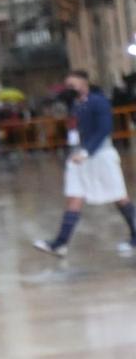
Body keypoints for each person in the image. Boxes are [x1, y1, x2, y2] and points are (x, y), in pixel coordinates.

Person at [34, 69, 136, 258]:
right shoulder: (75, 104)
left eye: (73, 85)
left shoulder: (99, 101)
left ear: (84, 83)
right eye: (68, 85)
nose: (70, 89)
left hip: (101, 155)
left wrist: (87, 151)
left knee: (119, 196)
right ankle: (60, 243)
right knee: (74, 196)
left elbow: (104, 129)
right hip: (79, 156)